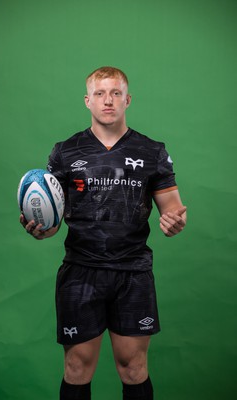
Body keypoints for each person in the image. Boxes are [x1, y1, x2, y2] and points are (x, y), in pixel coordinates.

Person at [20, 66, 187, 400]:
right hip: (81, 271)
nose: (108, 101)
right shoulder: (65, 152)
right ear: (87, 101)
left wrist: (173, 221)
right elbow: (52, 218)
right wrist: (41, 230)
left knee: (134, 368)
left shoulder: (151, 151)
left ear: (127, 99)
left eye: (115, 93)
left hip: (133, 272)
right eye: (100, 93)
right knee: (77, 369)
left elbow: (172, 207)